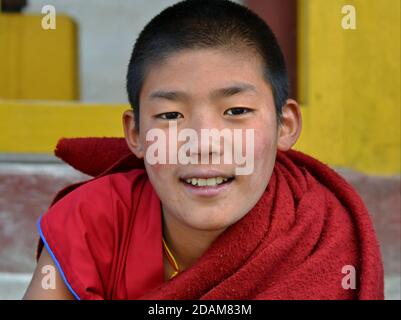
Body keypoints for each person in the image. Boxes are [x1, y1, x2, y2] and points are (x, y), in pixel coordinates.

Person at [23, 0, 383, 300]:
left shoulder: (319, 236)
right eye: (170, 115)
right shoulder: (93, 221)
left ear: (284, 126)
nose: (204, 143)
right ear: (135, 134)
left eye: (237, 111)